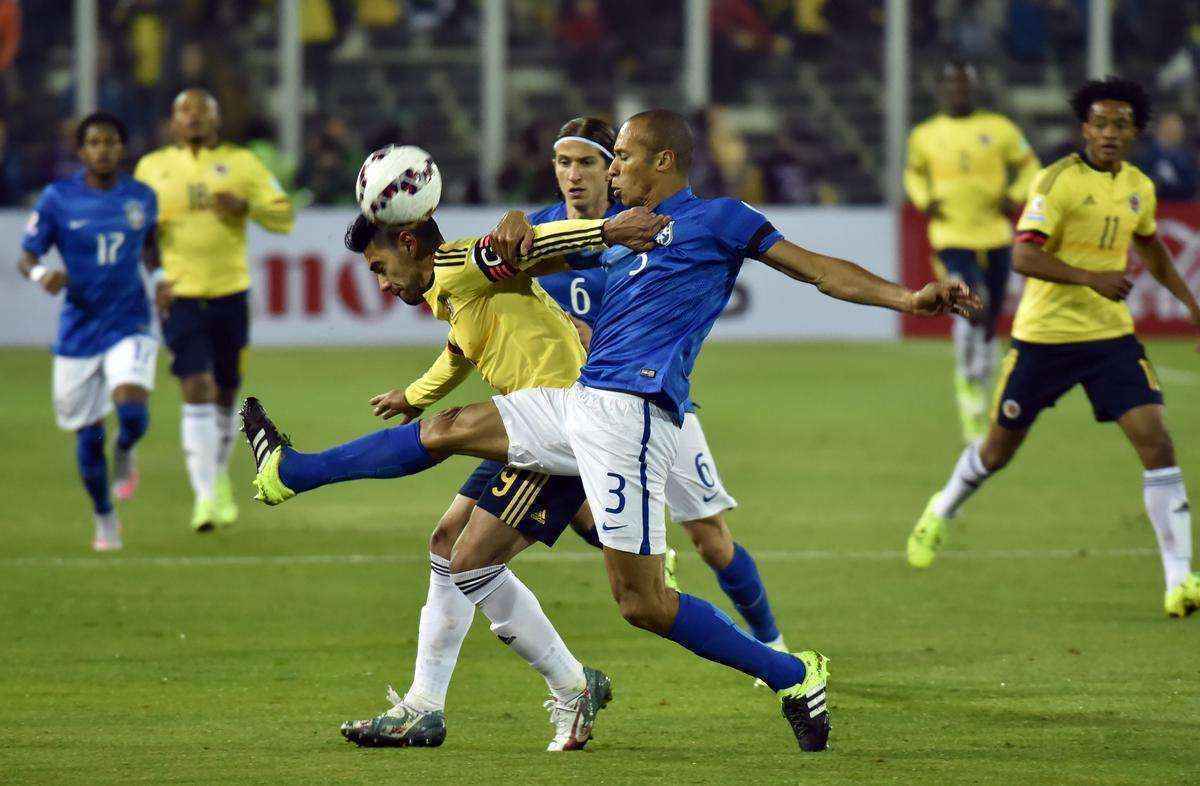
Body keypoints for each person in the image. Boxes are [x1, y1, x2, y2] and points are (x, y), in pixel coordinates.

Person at [242, 109, 978, 752]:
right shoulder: (615, 237)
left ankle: (794, 672)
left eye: (620, 156)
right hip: (580, 398)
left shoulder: (721, 222)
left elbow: (819, 270)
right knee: (449, 430)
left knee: (643, 605)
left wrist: (909, 298)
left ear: (662, 161)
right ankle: (291, 471)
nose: (606, 168)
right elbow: (540, 246)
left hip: (635, 415)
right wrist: (517, 231)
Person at [337, 201, 667, 751]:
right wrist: (412, 397)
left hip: (562, 426)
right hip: (521, 422)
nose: (381, 282)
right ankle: (423, 705)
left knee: (471, 562)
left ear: (409, 243)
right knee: (446, 545)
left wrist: (607, 230)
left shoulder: (462, 262)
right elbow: (458, 354)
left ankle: (572, 685)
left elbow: (533, 248)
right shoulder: (451, 291)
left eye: (378, 265)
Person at [906, 78, 1200, 619]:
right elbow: (1023, 258)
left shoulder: (1138, 185)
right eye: (1100, 123)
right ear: (1085, 128)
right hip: (1044, 339)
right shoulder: (1058, 181)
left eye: (1121, 124)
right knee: (997, 452)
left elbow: (1152, 246)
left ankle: (1179, 580)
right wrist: (1091, 276)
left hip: (1109, 337)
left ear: (1135, 131)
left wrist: (1190, 304)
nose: (1110, 133)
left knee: (1157, 443)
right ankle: (941, 507)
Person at [532, 117, 789, 671]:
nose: (574, 176)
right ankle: (650, 559)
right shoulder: (540, 232)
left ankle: (772, 644)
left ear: (611, 169)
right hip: (577, 407)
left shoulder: (640, 227)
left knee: (712, 541)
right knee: (582, 517)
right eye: (563, 163)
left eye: (590, 162)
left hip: (649, 404)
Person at [134, 88, 294, 532]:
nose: (194, 119)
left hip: (231, 295)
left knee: (225, 394)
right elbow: (140, 236)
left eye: (203, 113)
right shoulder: (151, 168)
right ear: (172, 120)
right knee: (197, 387)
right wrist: (157, 279)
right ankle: (205, 497)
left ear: (217, 120)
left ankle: (215, 477)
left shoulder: (242, 164)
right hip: (180, 296)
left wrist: (247, 206)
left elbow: (284, 215)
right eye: (185, 112)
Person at [18, 111, 166, 551]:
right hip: (79, 331)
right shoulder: (57, 199)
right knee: (87, 438)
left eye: (111, 142)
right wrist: (42, 273)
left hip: (130, 322)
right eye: (94, 143)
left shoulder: (142, 196)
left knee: (134, 413)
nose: (103, 149)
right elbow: (27, 256)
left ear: (122, 148)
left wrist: (159, 283)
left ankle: (126, 449)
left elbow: (151, 249)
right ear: (81, 151)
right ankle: (104, 517)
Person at [904, 60, 1041, 443]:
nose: (958, 91)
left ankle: (980, 377)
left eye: (964, 85)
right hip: (950, 234)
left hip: (995, 233)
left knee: (992, 310)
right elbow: (913, 173)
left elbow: (1032, 168)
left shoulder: (999, 129)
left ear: (974, 88)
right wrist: (923, 198)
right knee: (972, 300)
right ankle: (969, 381)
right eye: (952, 85)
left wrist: (1014, 197)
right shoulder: (926, 134)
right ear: (941, 90)